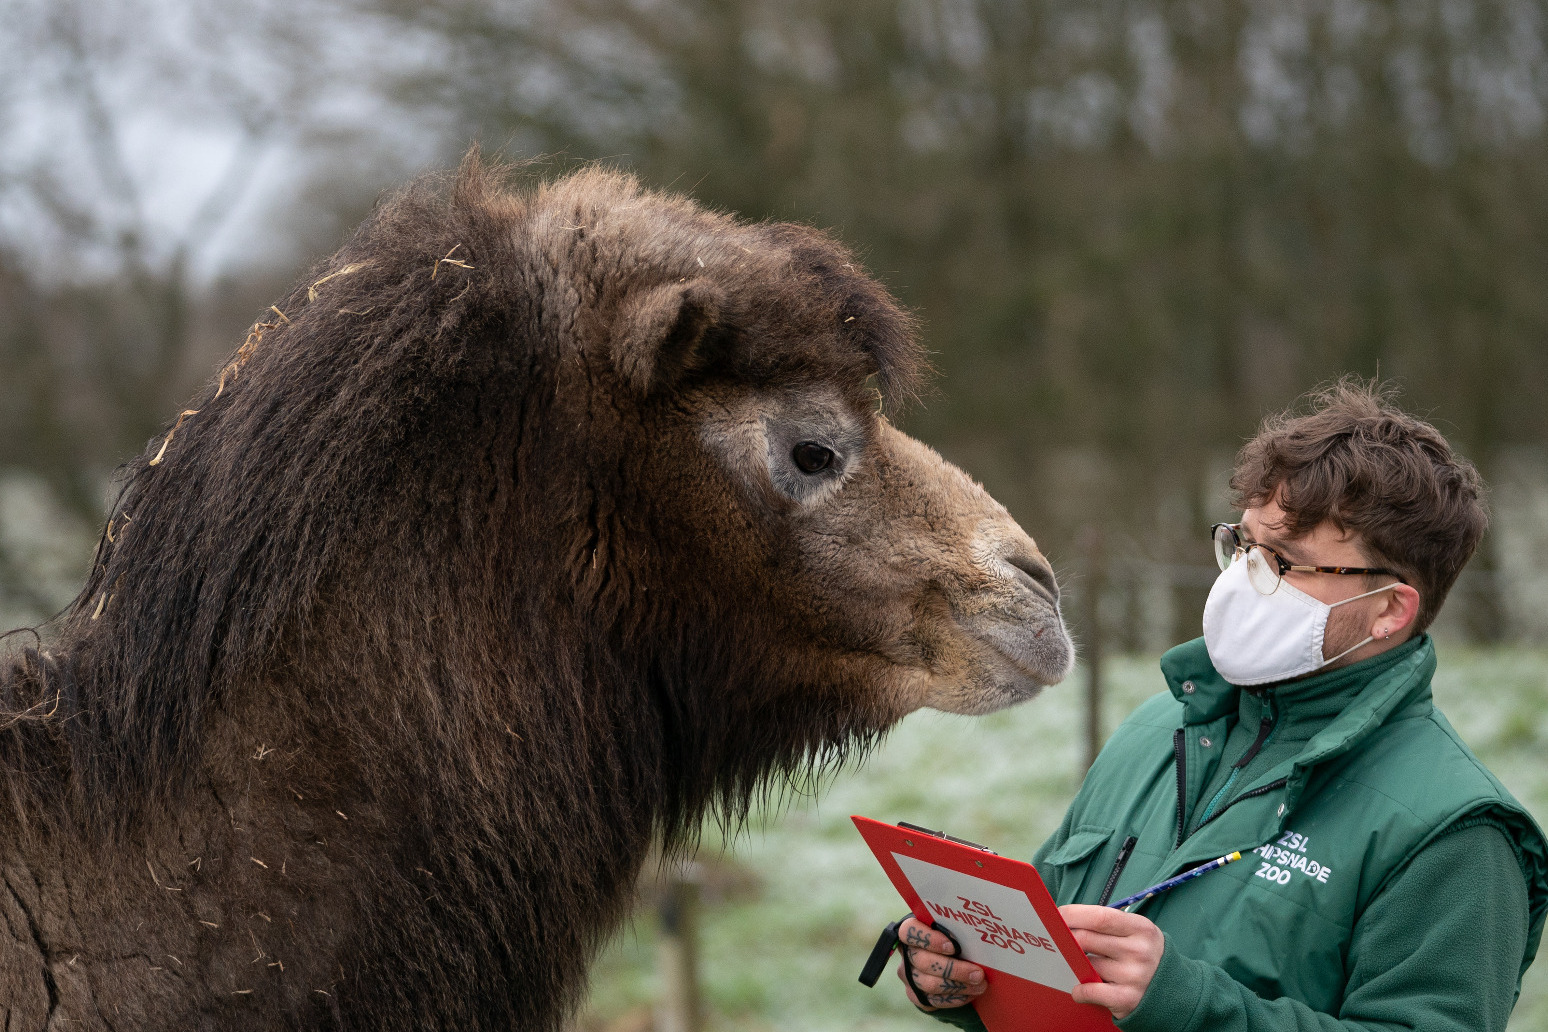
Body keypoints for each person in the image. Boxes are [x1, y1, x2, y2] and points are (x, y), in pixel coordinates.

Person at [894, 382, 1547, 1032]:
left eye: (1285, 562)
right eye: (1244, 544)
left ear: (1389, 610)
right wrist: (964, 978)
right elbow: (1046, 968)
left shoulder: (1455, 832)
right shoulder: (1157, 729)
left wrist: (1192, 1006)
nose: (1243, 578)